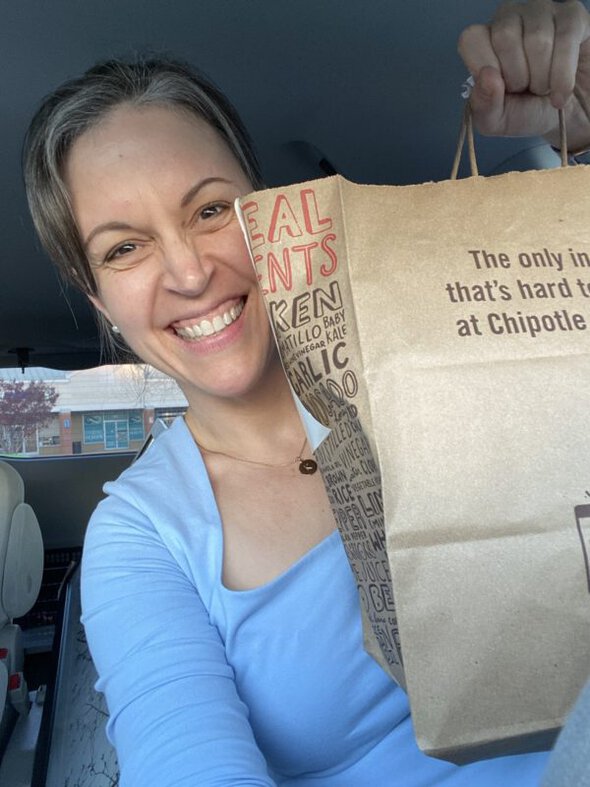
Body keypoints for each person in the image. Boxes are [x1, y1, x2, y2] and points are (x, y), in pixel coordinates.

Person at [22, 1, 590, 785]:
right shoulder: (141, 537)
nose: (189, 273)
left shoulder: (439, 357)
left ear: (269, 212)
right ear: (98, 301)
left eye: (212, 209)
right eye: (125, 247)